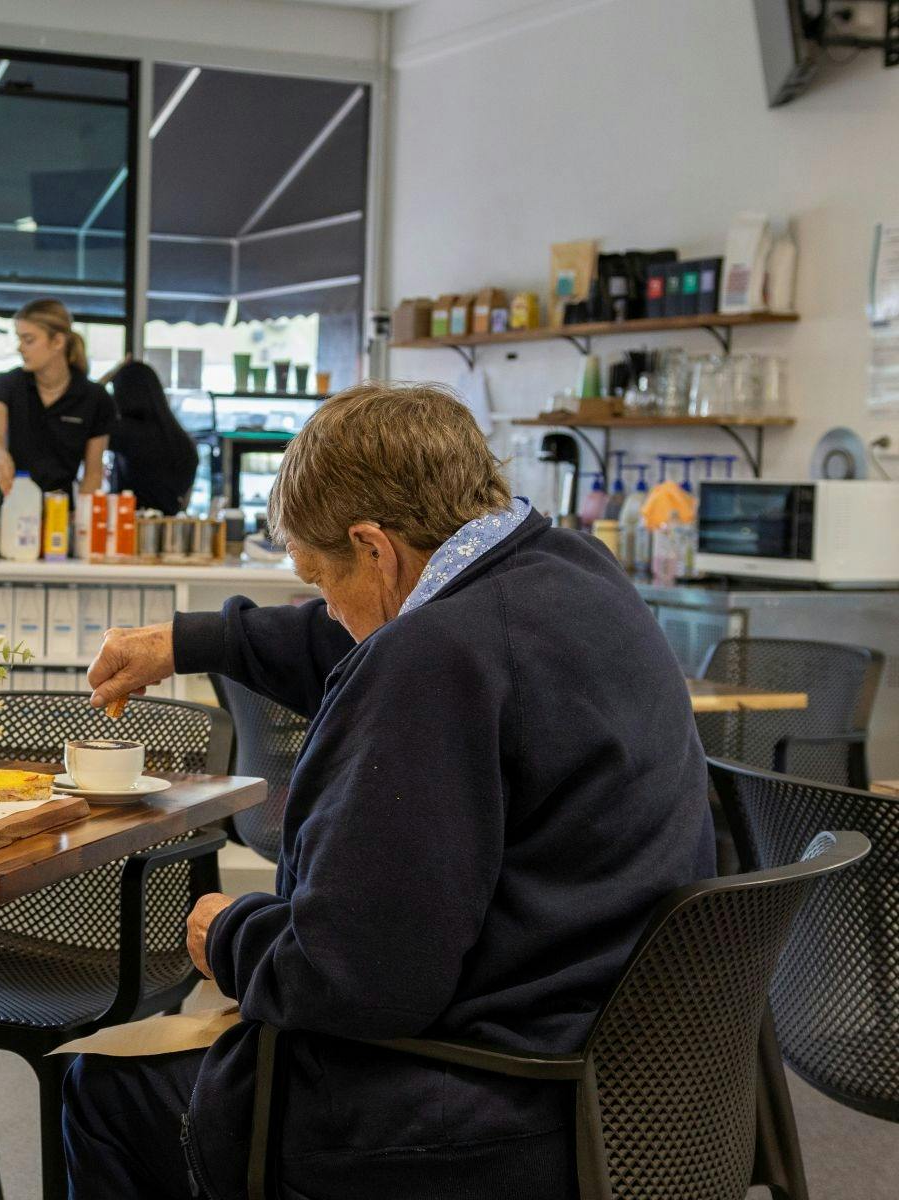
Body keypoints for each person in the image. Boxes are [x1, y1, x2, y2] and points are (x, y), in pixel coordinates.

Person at [66, 382, 714, 1199]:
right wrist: (193, 640)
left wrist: (230, 935)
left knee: (108, 1087)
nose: (325, 610)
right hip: (624, 1083)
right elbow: (358, 634)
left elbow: (354, 983)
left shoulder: (433, 661)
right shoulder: (569, 572)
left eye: (319, 579)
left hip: (484, 1107)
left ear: (374, 548)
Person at [0, 298, 115, 495]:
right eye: (19, 338)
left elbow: (93, 474)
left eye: (29, 340)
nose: (20, 347)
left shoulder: (95, 398)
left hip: (60, 511)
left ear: (57, 341)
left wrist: (82, 519)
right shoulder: (5, 384)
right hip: (10, 502)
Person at [106, 359, 198, 515]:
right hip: (168, 526)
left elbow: (87, 413)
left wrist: (106, 378)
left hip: (130, 524)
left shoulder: (124, 432)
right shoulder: (181, 439)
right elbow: (184, 501)